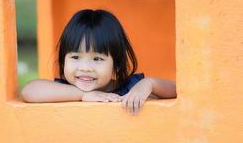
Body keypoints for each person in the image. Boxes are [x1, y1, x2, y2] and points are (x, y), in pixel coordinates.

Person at [21, 9, 176, 115]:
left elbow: (177, 91)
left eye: (97, 59)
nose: (85, 68)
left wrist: (149, 84)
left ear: (117, 66)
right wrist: (83, 95)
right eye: (75, 57)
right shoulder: (65, 90)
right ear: (63, 61)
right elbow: (29, 91)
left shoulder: (130, 88)